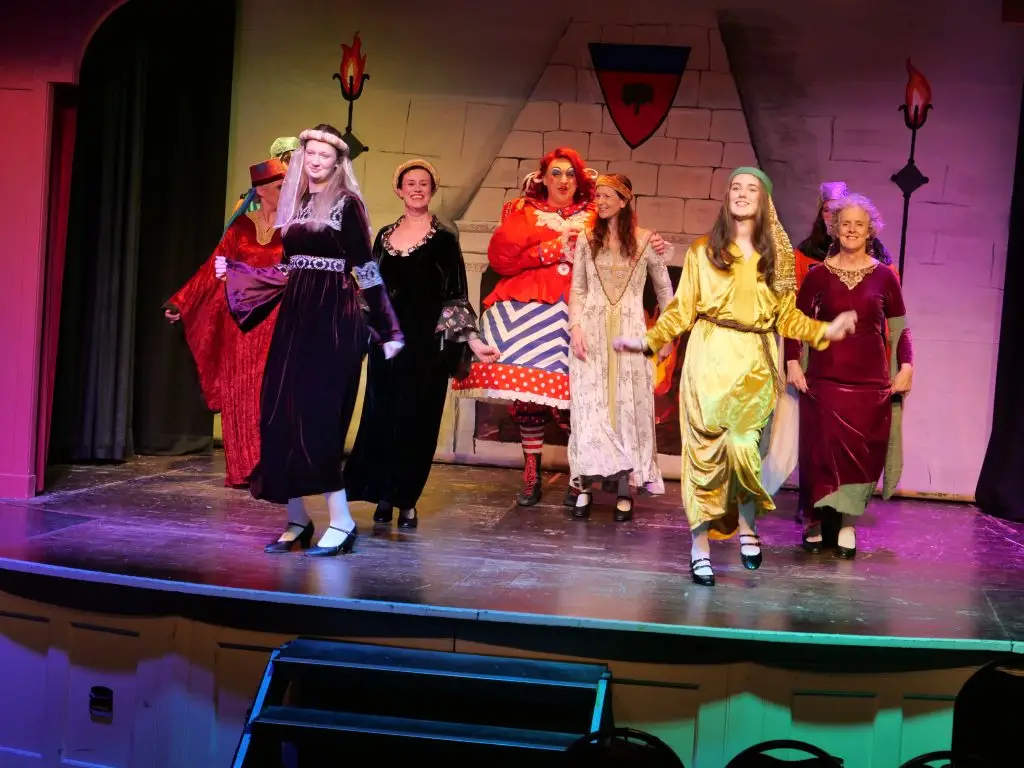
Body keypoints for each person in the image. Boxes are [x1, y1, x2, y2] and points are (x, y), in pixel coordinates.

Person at [612, 167, 856, 586]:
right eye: (736, 188)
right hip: (709, 355)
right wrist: (647, 341)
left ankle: (747, 525)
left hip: (754, 360)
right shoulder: (704, 250)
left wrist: (825, 330)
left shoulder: (775, 257)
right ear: (727, 197)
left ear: (764, 202)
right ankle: (700, 548)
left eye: (751, 190)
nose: (742, 194)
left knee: (745, 448)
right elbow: (681, 309)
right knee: (703, 456)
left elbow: (786, 317)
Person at [217, 124, 404, 557]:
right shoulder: (297, 202)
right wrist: (240, 275)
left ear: (337, 162)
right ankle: (298, 520)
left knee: (317, 420)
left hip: (332, 321)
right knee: (281, 413)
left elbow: (365, 269)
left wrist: (388, 328)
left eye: (325, 155)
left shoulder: (347, 204)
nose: (317, 161)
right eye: (311, 154)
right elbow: (286, 268)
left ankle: (342, 522)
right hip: (296, 319)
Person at [452, 148, 667, 507]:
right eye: (555, 173)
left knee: (580, 398)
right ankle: (531, 470)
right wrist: (549, 250)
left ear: (580, 180)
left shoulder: (595, 211)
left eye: (570, 174)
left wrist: (654, 242)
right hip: (529, 305)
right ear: (543, 178)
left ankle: (579, 474)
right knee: (527, 394)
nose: (563, 180)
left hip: (581, 310)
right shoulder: (524, 211)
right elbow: (502, 260)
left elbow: (627, 239)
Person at [344, 159, 499, 528]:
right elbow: (370, 291)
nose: (416, 188)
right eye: (410, 183)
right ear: (399, 190)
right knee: (382, 417)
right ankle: (383, 495)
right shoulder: (383, 237)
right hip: (388, 346)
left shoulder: (444, 240)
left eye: (423, 183)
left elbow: (455, 297)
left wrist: (474, 342)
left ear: (431, 190)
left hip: (426, 348)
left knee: (417, 421)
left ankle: (407, 499)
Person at [785, 193, 913, 558]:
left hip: (869, 384)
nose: (852, 230)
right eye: (845, 224)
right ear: (834, 228)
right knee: (820, 454)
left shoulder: (885, 277)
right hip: (824, 381)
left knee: (860, 456)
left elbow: (900, 329)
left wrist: (907, 366)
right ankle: (814, 519)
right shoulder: (817, 276)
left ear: (870, 230)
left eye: (859, 224)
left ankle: (847, 523)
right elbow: (795, 324)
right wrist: (792, 362)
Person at [163, 155, 288, 487]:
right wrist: (182, 302)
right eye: (280, 186)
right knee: (240, 391)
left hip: (275, 321)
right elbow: (212, 268)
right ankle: (243, 469)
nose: (287, 192)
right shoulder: (240, 228)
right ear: (261, 190)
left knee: (268, 392)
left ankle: (268, 467)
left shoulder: (293, 229)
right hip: (240, 322)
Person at [567, 174, 674, 521]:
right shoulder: (586, 239)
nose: (600, 201)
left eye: (607, 196)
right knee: (590, 408)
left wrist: (666, 335)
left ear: (625, 201)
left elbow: (665, 291)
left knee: (627, 407)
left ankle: (626, 489)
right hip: (592, 331)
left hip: (630, 331)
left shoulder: (645, 242)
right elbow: (578, 288)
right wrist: (575, 327)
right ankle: (585, 485)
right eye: (597, 196)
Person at [223, 136, 300, 233]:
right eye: (288, 160)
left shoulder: (307, 204)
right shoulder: (249, 204)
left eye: (298, 161)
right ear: (274, 164)